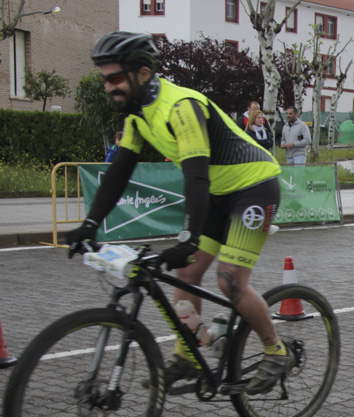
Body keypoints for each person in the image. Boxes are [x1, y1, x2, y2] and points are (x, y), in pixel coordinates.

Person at [67, 31, 289, 396]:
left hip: (253, 187)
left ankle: (275, 351)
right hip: (217, 193)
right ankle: (189, 354)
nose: (108, 87)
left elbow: (195, 176)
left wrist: (188, 237)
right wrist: (90, 223)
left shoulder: (181, 107)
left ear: (141, 73)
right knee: (186, 276)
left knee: (229, 280)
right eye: (104, 79)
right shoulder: (139, 115)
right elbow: (120, 170)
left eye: (115, 78)